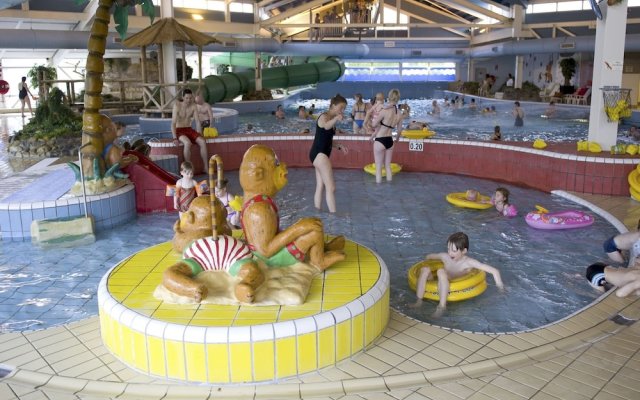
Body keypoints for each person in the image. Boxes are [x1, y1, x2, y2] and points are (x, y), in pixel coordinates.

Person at [412, 232, 505, 317]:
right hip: (439, 281)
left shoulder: (469, 262)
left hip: (454, 285)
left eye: (453, 250)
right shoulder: (445, 257)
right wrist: (426, 261)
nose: (450, 253)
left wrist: (500, 288)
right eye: (448, 249)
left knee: (440, 271)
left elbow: (494, 271)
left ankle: (441, 306)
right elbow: (429, 257)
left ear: (464, 251)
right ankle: (418, 301)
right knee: (425, 269)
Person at [309, 93, 349, 213]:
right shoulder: (324, 117)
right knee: (331, 188)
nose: (342, 111)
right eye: (341, 108)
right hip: (320, 155)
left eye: (344, 109)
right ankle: (334, 218)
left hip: (317, 154)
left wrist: (339, 146)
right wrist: (336, 118)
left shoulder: (331, 119)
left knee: (320, 186)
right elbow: (326, 127)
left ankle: (317, 213)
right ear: (333, 105)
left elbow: (326, 140)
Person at [370, 89, 409, 184]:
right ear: (398, 98)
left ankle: (378, 190)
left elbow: (374, 124)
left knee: (378, 168)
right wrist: (397, 140)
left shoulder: (384, 110)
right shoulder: (399, 113)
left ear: (389, 97)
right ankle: (389, 187)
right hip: (390, 141)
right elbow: (399, 130)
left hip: (380, 140)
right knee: (388, 166)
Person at [171, 88, 208, 171]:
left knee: (202, 141)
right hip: (179, 130)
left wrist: (200, 134)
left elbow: (198, 121)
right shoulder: (177, 105)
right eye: (187, 98)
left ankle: (206, 167)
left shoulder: (193, 106)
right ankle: (188, 168)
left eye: (190, 98)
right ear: (183, 97)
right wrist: (174, 138)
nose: (188, 100)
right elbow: (173, 123)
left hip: (189, 129)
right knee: (187, 143)